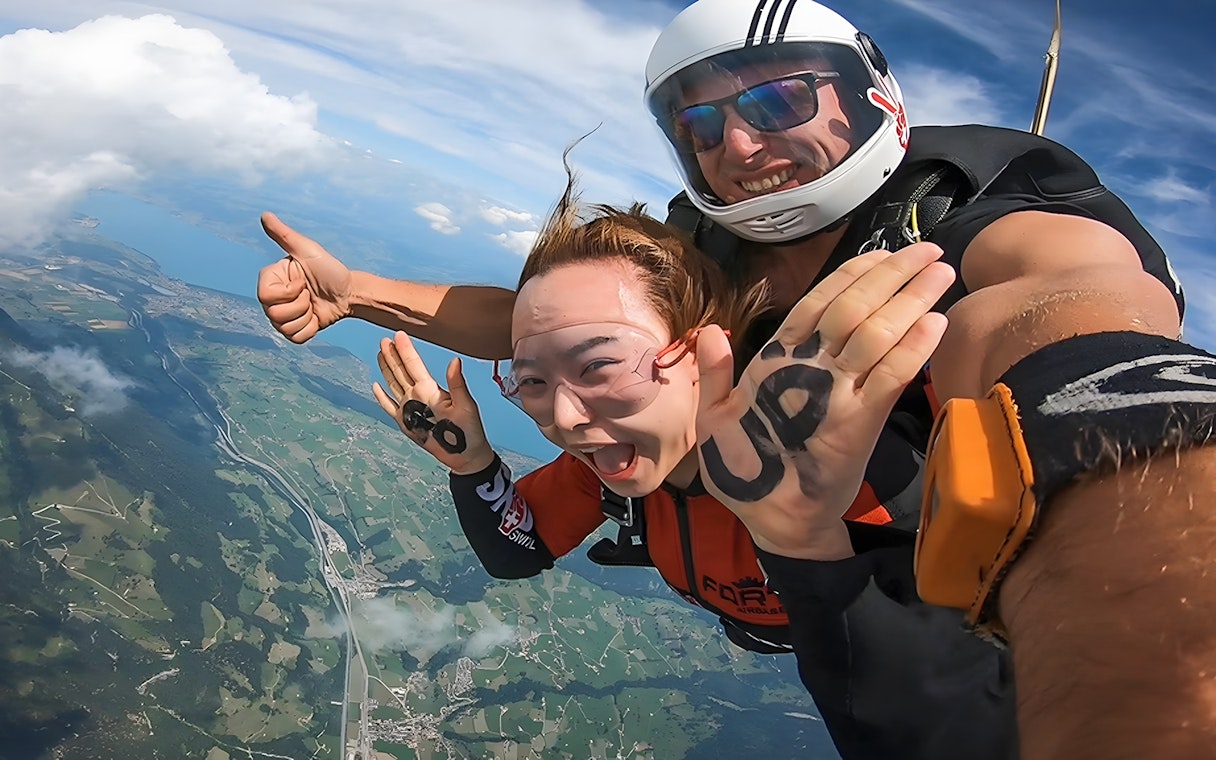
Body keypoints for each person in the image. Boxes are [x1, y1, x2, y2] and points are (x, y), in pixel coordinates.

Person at [257, 1, 1216, 757]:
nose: (738, 145)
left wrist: (1118, 434)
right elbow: (552, 333)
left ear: (868, 96)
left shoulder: (976, 224)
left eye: (776, 103)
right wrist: (367, 299)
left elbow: (1072, 309)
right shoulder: (652, 391)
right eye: (701, 125)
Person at [370, 173, 1016, 759]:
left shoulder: (862, 474)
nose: (562, 418)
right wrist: (474, 464)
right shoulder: (615, 468)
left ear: (706, 347)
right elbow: (519, 548)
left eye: (599, 366)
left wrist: (808, 542)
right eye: (530, 380)